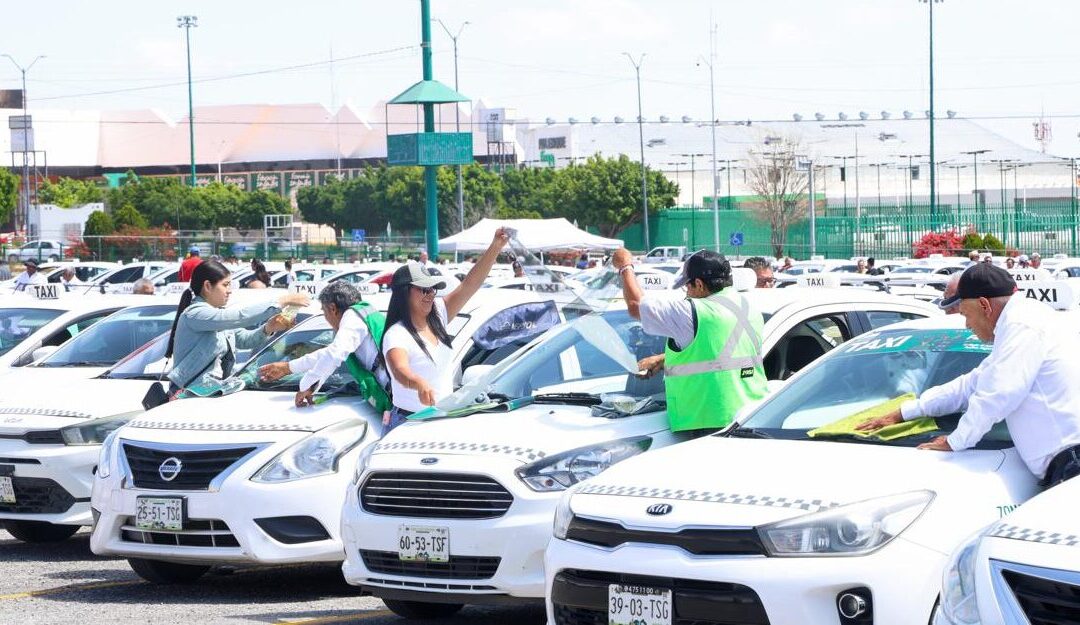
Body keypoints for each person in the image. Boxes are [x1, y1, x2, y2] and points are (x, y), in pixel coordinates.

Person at [857, 263, 1080, 487]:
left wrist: (956, 441)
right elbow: (972, 384)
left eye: (966, 314)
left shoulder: (1022, 323)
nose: (967, 325)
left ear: (984, 305)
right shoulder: (1022, 320)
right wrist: (905, 412)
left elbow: (998, 393)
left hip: (1072, 467)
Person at [617, 248, 767, 436]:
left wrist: (625, 266)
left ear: (699, 284)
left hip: (711, 423)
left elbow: (636, 306)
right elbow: (722, 354)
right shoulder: (749, 308)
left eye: (687, 286)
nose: (686, 292)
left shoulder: (693, 311)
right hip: (753, 417)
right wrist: (665, 359)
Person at [381, 229, 510, 433]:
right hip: (408, 425)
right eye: (424, 289)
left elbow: (470, 285)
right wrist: (418, 383)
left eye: (433, 289)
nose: (430, 295)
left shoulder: (438, 314)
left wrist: (495, 247)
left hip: (440, 420)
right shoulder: (397, 334)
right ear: (404, 293)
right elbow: (399, 370)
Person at [165, 260, 308, 397]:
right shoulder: (195, 314)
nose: (229, 291)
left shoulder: (217, 315)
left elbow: (246, 340)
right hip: (190, 394)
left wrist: (269, 327)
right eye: (225, 285)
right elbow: (239, 316)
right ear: (207, 286)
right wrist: (281, 301)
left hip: (210, 391)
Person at [258, 282, 391, 413]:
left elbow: (334, 354)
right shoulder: (364, 314)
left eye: (324, 311)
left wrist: (305, 385)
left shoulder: (352, 316)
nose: (326, 318)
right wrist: (290, 368)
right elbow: (329, 355)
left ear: (333, 308)